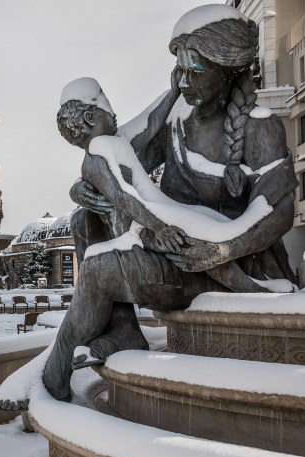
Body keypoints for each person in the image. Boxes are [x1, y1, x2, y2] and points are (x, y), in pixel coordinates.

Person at [5, 5, 296, 404]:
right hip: (172, 248)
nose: (185, 82)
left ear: (226, 70)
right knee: (83, 219)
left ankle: (51, 377)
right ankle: (123, 330)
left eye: (196, 72)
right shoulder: (177, 115)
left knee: (98, 268)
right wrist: (82, 187)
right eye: (180, 71)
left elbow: (278, 212)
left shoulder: (259, 125)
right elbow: (116, 156)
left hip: (212, 261)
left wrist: (223, 248)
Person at [56, 77, 269, 296]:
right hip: (141, 226)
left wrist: (174, 92)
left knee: (213, 222)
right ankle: (249, 290)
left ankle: (255, 280)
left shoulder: (112, 143)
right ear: (91, 117)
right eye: (107, 109)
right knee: (191, 242)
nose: (113, 114)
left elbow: (149, 123)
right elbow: (123, 196)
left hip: (157, 212)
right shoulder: (97, 156)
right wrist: (159, 228)